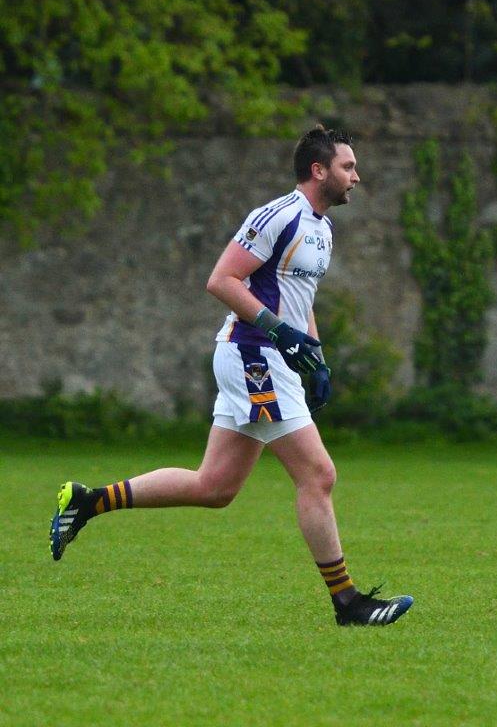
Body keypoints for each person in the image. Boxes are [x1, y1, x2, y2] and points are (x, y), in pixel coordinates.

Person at [49, 126, 413, 627]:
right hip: (253, 355)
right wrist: (278, 332)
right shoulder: (277, 216)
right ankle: (348, 602)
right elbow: (221, 279)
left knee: (214, 487)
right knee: (318, 475)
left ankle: (89, 502)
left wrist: (318, 357)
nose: (357, 176)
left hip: (269, 356)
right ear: (319, 170)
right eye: (348, 167)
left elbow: (298, 300)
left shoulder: (322, 229)